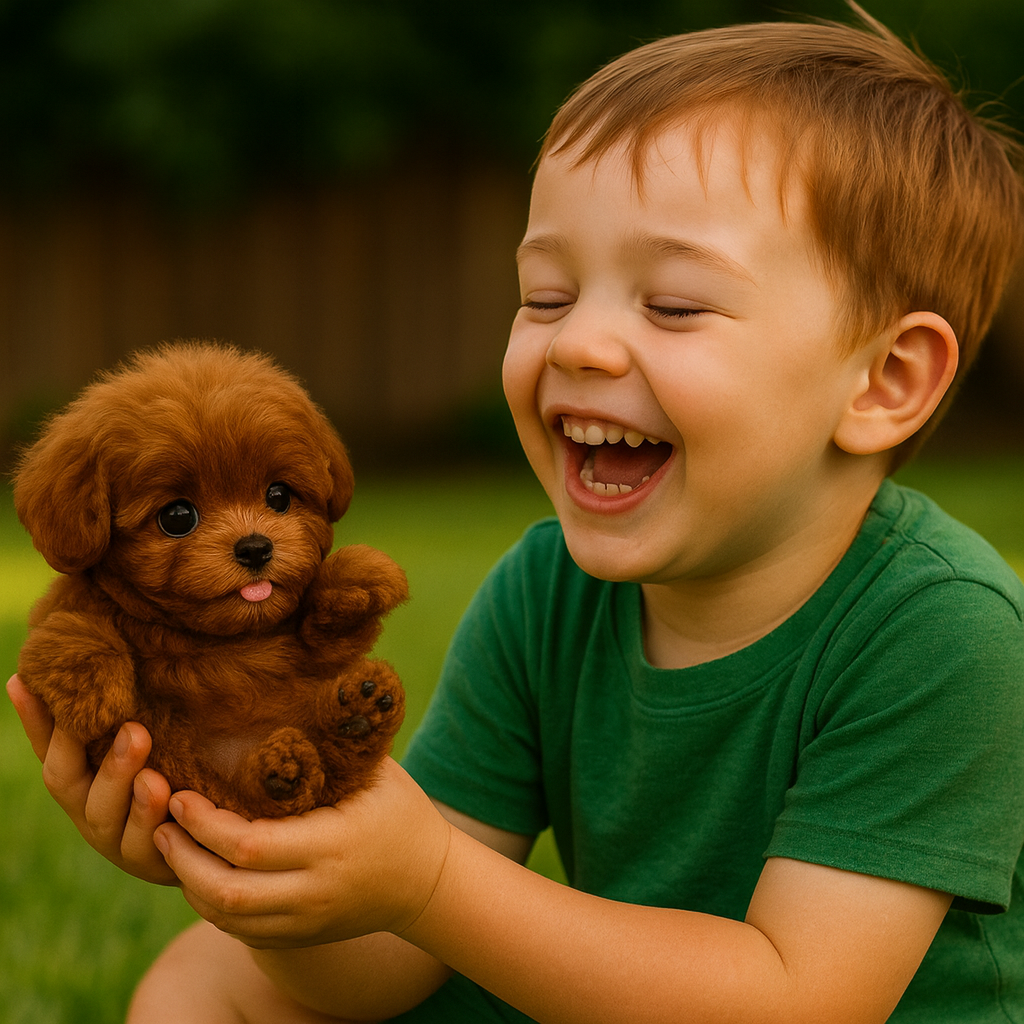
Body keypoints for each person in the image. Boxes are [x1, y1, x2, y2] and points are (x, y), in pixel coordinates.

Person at [8, 6, 1024, 1022]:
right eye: (545, 295)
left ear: (885, 379)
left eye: (670, 303)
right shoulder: (546, 594)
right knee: (207, 972)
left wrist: (432, 883)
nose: (579, 343)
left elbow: (801, 999)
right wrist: (260, 875)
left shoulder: (942, 630)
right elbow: (381, 966)